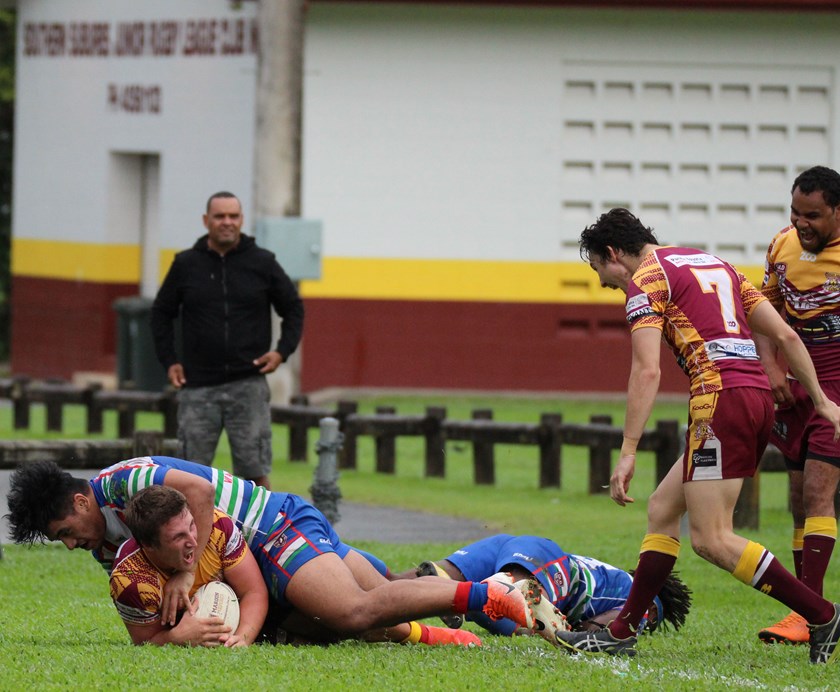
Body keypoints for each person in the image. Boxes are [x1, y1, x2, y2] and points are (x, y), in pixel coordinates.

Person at [553, 208, 840, 664]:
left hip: (718, 402)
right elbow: (785, 334)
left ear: (613, 253)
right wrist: (824, 402)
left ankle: (821, 613)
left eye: (601, 272)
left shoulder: (646, 281)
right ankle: (623, 629)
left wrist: (627, 451)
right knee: (663, 508)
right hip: (754, 397)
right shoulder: (714, 264)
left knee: (712, 538)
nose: (608, 284)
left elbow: (646, 370)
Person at [5, 457, 559, 649]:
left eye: (64, 529)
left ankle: (493, 594)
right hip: (248, 558)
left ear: (81, 499)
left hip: (270, 526)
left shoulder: (127, 482)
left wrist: (185, 573)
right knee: (379, 597)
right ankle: (483, 568)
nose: (70, 543)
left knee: (351, 611)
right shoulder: (105, 547)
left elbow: (197, 494)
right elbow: (147, 622)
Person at [150, 191, 305, 489]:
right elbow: (161, 313)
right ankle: (189, 535)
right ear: (206, 221)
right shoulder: (186, 264)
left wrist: (282, 352)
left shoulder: (262, 262)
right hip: (198, 387)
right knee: (189, 474)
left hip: (248, 384)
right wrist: (169, 361)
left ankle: (261, 533)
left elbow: (294, 308)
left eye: (233, 216)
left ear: (242, 220)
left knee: (254, 471)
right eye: (220, 216)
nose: (227, 222)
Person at [755, 166, 840, 646]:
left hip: (837, 386)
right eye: (794, 212)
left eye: (813, 215)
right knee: (795, 505)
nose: (801, 223)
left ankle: (811, 615)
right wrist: (771, 370)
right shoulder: (781, 245)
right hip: (794, 386)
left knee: (816, 495)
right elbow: (763, 312)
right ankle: (805, 610)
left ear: (836, 211)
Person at [390, 534, 691, 637]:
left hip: (522, 548)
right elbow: (598, 634)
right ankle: (463, 594)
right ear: (651, 607)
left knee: (390, 586)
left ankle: (444, 587)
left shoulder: (615, 578)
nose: (644, 623)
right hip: (554, 568)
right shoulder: (639, 603)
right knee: (527, 615)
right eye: (650, 619)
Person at [110, 485, 269, 647]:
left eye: (192, 525)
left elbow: (253, 591)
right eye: (179, 537)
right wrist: (177, 637)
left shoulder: (217, 526)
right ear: (148, 544)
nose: (194, 541)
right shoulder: (130, 579)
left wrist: (243, 637)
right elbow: (145, 643)